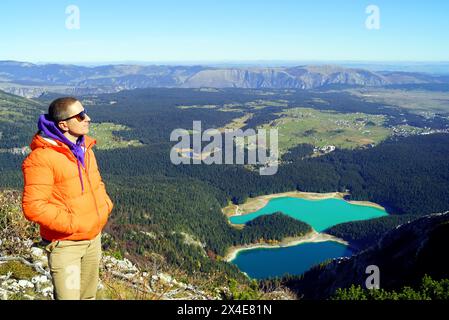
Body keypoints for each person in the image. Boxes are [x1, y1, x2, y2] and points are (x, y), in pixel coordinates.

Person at [21, 97, 113, 300]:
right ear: (63, 124)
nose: (87, 118)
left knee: (88, 297)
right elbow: (33, 207)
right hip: (66, 245)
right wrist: (73, 224)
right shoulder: (42, 158)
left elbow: (97, 184)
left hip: (93, 239)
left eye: (85, 112)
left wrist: (106, 205)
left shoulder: (85, 149)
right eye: (80, 116)